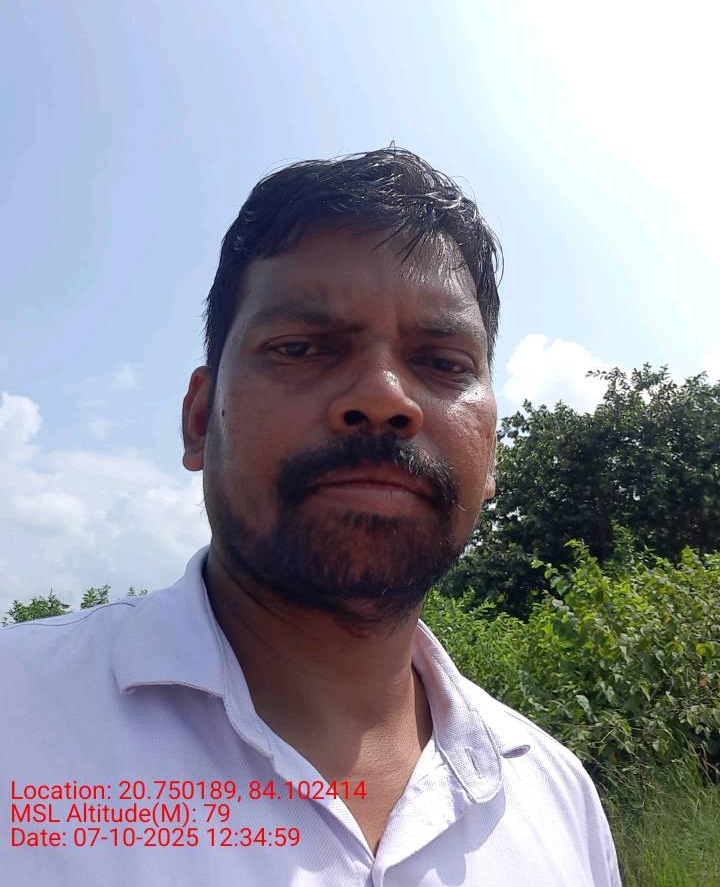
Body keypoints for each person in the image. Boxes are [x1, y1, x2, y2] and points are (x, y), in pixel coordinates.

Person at [1, 147, 621, 885]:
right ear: (199, 420)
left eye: (444, 363)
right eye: (300, 348)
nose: (386, 397)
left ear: (490, 454)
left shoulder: (559, 801)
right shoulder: (19, 716)